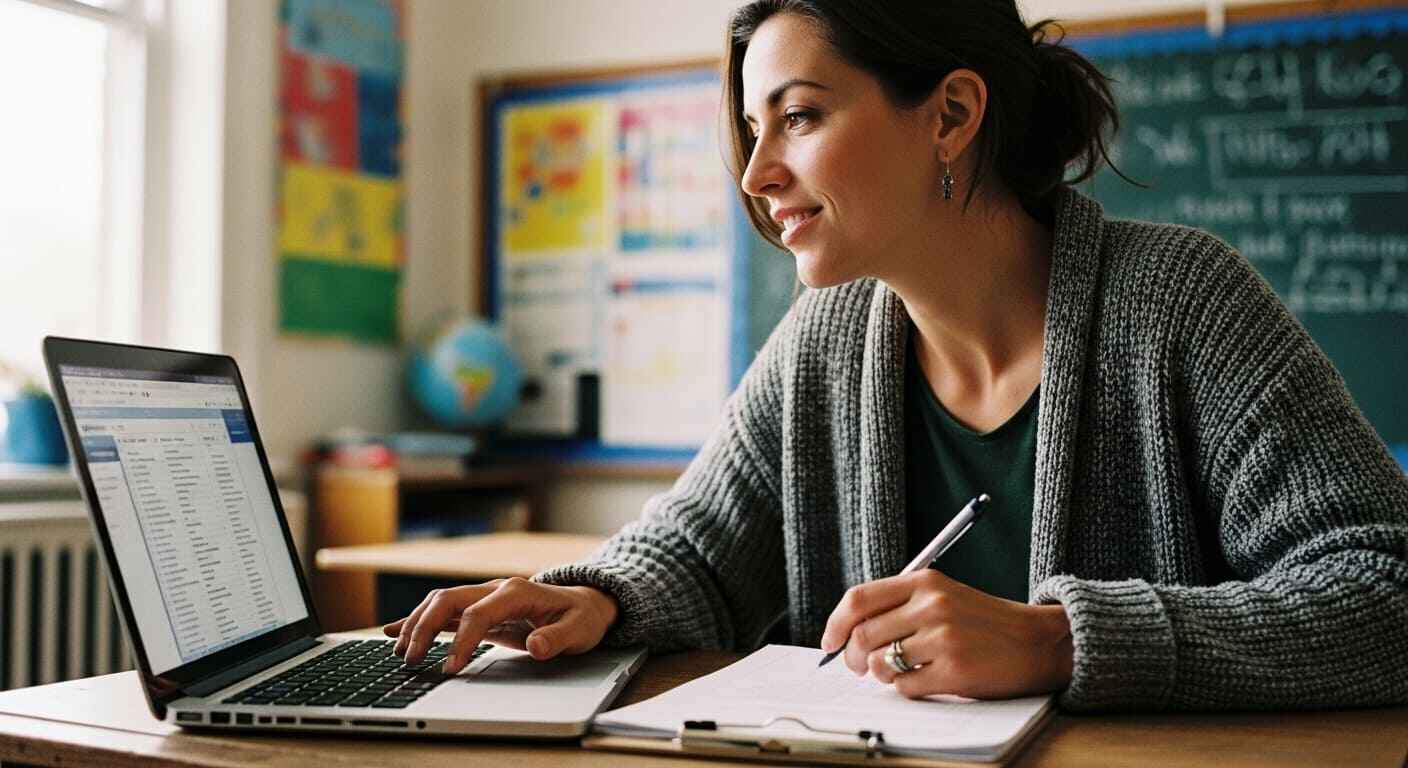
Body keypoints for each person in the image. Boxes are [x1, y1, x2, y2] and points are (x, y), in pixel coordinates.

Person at [385, 0, 1408, 711]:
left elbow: (1384, 591)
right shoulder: (822, 345)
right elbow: (697, 550)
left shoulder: (1185, 306)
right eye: (750, 131)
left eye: (798, 117)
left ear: (952, 116)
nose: (756, 174)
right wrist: (601, 594)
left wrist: (1060, 640)